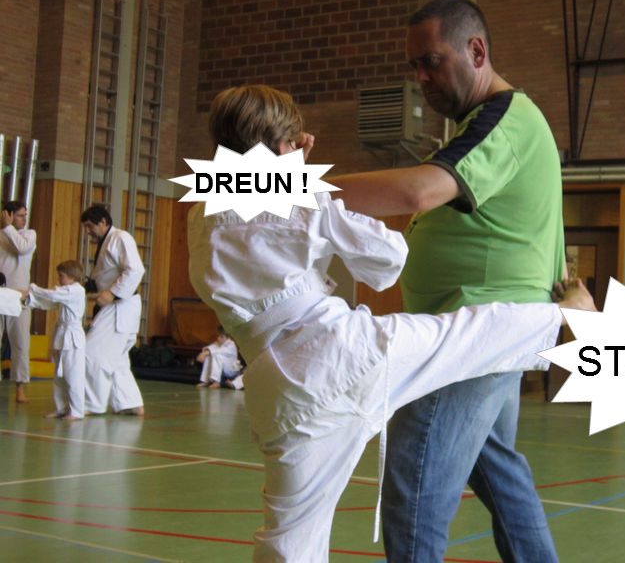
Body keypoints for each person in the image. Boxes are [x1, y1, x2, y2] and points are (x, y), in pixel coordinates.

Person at [187, 84, 595, 562]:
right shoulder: (302, 197)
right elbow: (386, 261)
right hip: (339, 355)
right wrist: (300, 180)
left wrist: (288, 171)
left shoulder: (201, 212)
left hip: (274, 386)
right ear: (282, 146)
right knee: (463, 336)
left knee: (289, 535)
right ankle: (566, 313)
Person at [331, 0, 566, 562]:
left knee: (414, 486)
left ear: (476, 51)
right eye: (414, 66)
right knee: (500, 476)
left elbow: (418, 192)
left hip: (471, 333)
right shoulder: (486, 127)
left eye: (431, 61)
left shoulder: (504, 118)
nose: (420, 78)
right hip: (491, 327)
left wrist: (292, 188)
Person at [81, 205, 146, 416]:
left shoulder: (121, 237)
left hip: (121, 306)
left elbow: (135, 270)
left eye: (90, 226)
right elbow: (106, 274)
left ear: (103, 222)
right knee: (117, 359)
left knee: (91, 353)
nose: (88, 232)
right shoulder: (107, 242)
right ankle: (130, 403)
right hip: (117, 306)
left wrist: (113, 293)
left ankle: (93, 404)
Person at [25, 260, 86, 420]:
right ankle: (62, 408)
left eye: (61, 276)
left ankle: (77, 411)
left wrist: (33, 288)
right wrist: (29, 300)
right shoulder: (66, 292)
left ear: (72, 276)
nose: (59, 279)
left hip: (73, 338)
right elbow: (50, 303)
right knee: (59, 376)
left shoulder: (76, 290)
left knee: (73, 375)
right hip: (62, 334)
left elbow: (52, 294)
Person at [0, 200, 36, 403]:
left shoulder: (29, 235)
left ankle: (20, 388)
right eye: (20, 215)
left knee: (21, 344)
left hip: (20, 296)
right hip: (1, 293)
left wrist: (8, 228)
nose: (24, 219)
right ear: (9, 215)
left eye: (25, 215)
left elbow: (21, 249)